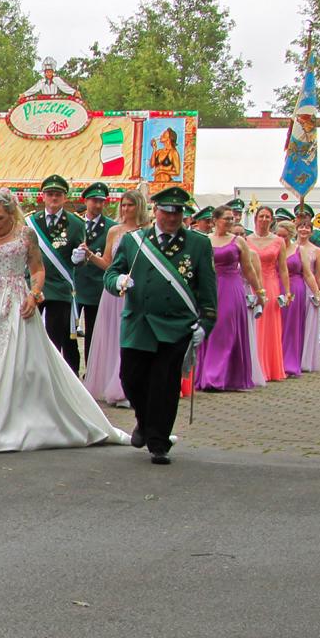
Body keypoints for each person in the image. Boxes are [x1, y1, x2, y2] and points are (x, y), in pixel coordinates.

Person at [0, 188, 126, 452]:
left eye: (0, 218)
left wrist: (34, 294)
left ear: (12, 214)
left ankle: (11, 416)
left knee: (17, 360)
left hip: (16, 300)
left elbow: (38, 269)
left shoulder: (26, 235)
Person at [105, 186, 217, 465]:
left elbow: (207, 287)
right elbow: (112, 273)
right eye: (167, 212)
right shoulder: (134, 241)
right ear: (155, 211)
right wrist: (118, 281)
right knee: (130, 378)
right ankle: (144, 422)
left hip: (176, 324)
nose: (172, 218)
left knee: (164, 385)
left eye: (178, 212)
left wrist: (206, 321)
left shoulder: (198, 244)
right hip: (139, 322)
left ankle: (158, 442)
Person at [82, 185, 150, 405]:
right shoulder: (114, 231)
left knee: (129, 338)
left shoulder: (148, 231)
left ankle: (126, 386)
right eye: (123, 205)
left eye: (130, 205)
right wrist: (90, 255)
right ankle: (109, 381)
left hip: (136, 291)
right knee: (111, 336)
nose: (126, 209)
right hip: (114, 291)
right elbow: (108, 264)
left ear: (139, 207)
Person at [195, 206, 264, 392]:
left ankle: (217, 376)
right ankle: (207, 375)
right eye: (226, 218)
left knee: (226, 328)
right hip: (210, 287)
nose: (230, 221)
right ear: (215, 220)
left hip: (232, 288)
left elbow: (248, 269)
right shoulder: (205, 240)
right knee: (210, 327)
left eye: (232, 218)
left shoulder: (238, 241)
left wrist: (259, 292)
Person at [29, 173, 86, 373]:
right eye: (50, 194)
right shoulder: (31, 222)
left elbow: (81, 258)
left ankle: (59, 375)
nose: (54, 198)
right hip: (34, 287)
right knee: (29, 335)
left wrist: (79, 259)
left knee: (57, 338)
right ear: (43, 196)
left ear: (64, 197)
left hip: (60, 289)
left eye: (58, 194)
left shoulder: (76, 224)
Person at [71, 181, 112, 367]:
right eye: (94, 200)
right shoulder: (75, 223)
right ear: (85, 201)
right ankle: (71, 369)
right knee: (70, 332)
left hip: (97, 287)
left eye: (101, 201)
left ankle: (91, 370)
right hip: (75, 285)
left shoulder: (110, 227)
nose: (98, 205)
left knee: (94, 335)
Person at [284, 209, 320, 375]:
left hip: (309, 289)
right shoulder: (288, 247)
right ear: (296, 229)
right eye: (301, 227)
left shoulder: (316, 250)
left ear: (311, 231)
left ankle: (304, 358)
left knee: (308, 324)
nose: (304, 230)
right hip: (292, 287)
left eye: (307, 227)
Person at [249, 205, 290, 382]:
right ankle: (254, 366)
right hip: (253, 285)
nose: (264, 219)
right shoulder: (246, 239)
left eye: (267, 217)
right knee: (254, 325)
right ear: (255, 218)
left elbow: (283, 268)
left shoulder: (278, 241)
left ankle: (271, 367)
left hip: (271, 285)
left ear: (272, 220)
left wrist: (287, 291)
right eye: (261, 216)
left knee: (270, 326)